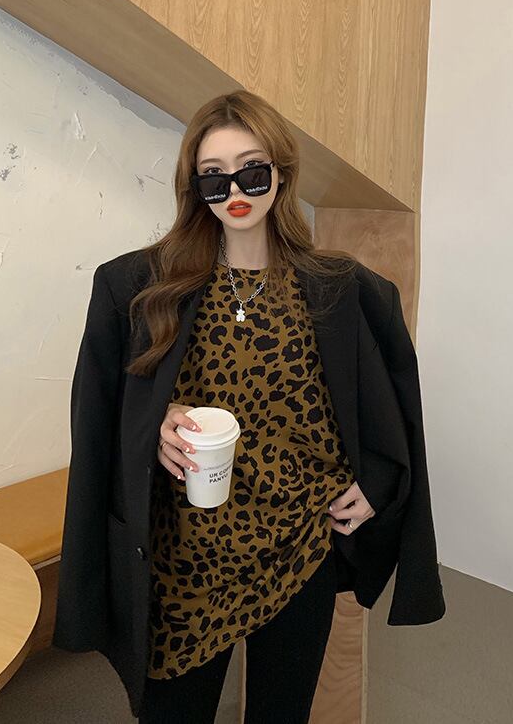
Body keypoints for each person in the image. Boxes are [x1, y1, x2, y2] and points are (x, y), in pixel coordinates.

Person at [53, 89, 445, 723]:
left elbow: (386, 407)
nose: (234, 190)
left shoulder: (341, 290)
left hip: (300, 551)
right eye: (213, 175)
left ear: (281, 174)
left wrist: (377, 482)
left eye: (252, 171)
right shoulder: (138, 288)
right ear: (194, 187)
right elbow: (98, 421)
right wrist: (157, 423)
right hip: (184, 561)